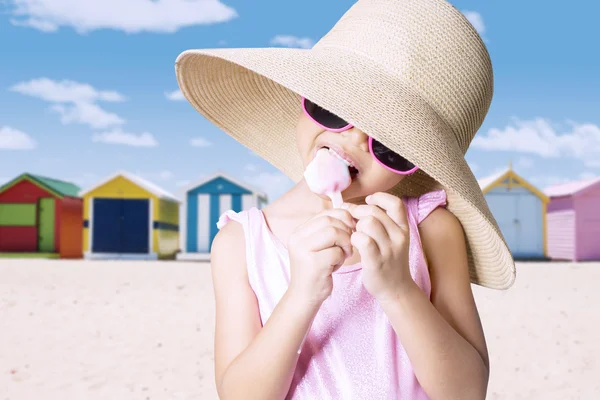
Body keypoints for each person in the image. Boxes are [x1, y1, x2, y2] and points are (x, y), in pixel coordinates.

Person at [175, 0, 516, 398]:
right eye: (335, 109)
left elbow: (467, 392)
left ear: (419, 163)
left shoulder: (432, 229)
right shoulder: (241, 243)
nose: (353, 140)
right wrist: (302, 294)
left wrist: (398, 289)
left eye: (391, 144)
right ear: (304, 100)